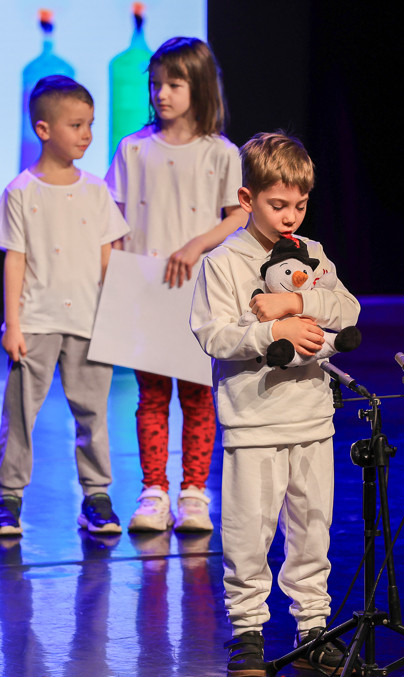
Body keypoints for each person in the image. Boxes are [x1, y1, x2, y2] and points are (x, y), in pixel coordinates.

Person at [190, 132, 361, 677]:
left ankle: (314, 626)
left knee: (313, 526)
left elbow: (348, 309)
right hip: (254, 421)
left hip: (312, 416)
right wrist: (273, 330)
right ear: (247, 200)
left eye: (300, 205)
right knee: (249, 530)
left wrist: (298, 301)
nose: (291, 216)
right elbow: (214, 335)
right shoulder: (224, 261)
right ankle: (248, 633)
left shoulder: (311, 256)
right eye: (277, 204)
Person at [105, 36, 246, 534]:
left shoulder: (221, 153)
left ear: (200, 87)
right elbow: (113, 216)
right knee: (150, 395)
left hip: (198, 288)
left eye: (175, 84)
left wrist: (195, 245)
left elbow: (238, 215)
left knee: (197, 394)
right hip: (146, 288)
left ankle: (193, 491)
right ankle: (153, 491)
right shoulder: (134, 148)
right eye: (156, 84)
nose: (162, 93)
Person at [0, 75, 129, 537]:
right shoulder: (21, 190)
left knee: (92, 412)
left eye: (90, 124)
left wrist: (116, 315)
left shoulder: (96, 190)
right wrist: (13, 323)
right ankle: (8, 497)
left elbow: (109, 254)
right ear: (44, 129)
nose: (86, 134)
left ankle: (96, 496)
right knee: (21, 413)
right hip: (37, 320)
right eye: (76, 125)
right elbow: (15, 258)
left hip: (89, 321)